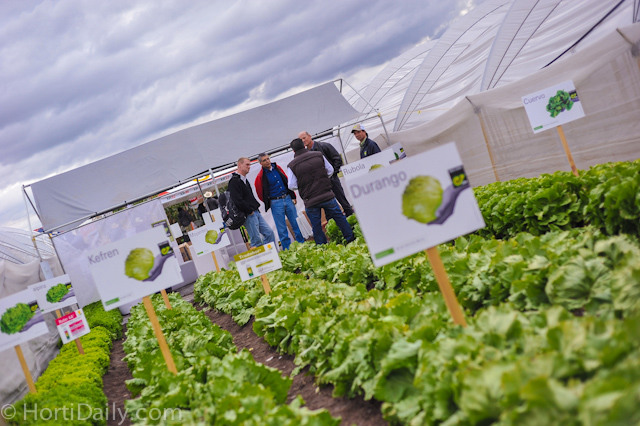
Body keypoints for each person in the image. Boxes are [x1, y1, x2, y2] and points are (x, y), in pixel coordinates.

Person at [287, 138, 354, 245]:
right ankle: (350, 239)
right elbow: (330, 170)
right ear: (304, 146)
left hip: (310, 200)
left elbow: (291, 185)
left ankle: (322, 247)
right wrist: (323, 180)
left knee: (316, 226)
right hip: (326, 194)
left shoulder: (291, 165)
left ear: (293, 150)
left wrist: (302, 186)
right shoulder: (318, 155)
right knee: (340, 218)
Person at [254, 152, 305, 250]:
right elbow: (260, 192)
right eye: (264, 160)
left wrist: (293, 196)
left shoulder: (277, 168)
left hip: (287, 198)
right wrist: (269, 201)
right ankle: (287, 250)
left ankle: (302, 245)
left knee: (296, 223)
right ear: (260, 163)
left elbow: (286, 181)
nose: (267, 161)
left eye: (268, 159)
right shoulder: (260, 176)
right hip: (275, 202)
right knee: (281, 229)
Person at [298, 131, 354, 217]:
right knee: (329, 208)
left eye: (304, 138)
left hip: (332, 180)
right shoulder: (306, 154)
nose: (303, 141)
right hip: (321, 185)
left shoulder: (324, 146)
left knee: (342, 201)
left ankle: (352, 218)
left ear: (309, 136)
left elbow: (337, 159)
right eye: (301, 140)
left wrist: (332, 174)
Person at [228, 157, 275, 248]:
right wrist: (249, 211)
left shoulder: (244, 179)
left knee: (269, 233)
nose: (249, 167)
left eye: (249, 165)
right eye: (247, 164)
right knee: (256, 240)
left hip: (255, 211)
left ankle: (271, 254)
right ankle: (261, 257)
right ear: (239, 165)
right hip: (248, 214)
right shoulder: (234, 181)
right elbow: (237, 200)